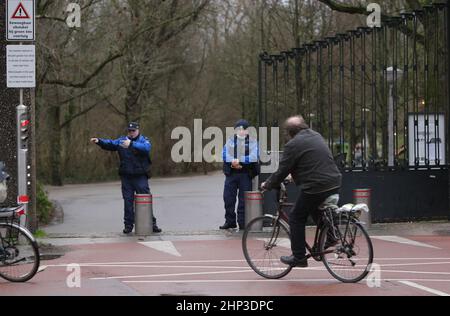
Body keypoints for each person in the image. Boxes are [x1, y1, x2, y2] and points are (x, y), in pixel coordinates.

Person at [261, 115, 342, 268]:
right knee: (314, 208)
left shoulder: (293, 144)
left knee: (296, 218)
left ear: (289, 132)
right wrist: (295, 175)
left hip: (316, 185)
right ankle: (331, 235)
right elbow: (313, 160)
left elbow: (282, 170)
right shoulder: (316, 135)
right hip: (334, 180)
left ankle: (298, 257)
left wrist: (268, 184)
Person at [90, 122, 162, 234]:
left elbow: (146, 148)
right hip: (126, 176)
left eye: (133, 131)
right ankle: (128, 225)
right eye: (129, 131)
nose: (131, 133)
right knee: (128, 201)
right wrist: (99, 141)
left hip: (140, 176)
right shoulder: (122, 140)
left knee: (145, 200)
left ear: (138, 130)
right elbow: (111, 143)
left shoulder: (143, 140)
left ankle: (152, 224)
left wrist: (131, 144)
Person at [220, 120, 260, 230]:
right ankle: (230, 222)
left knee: (243, 201)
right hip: (231, 175)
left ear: (247, 131)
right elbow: (224, 154)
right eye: (239, 129)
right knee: (228, 198)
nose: (241, 131)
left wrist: (239, 160)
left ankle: (242, 224)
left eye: (243, 129)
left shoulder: (253, 142)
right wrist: (233, 161)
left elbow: (254, 156)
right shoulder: (230, 141)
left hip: (245, 175)